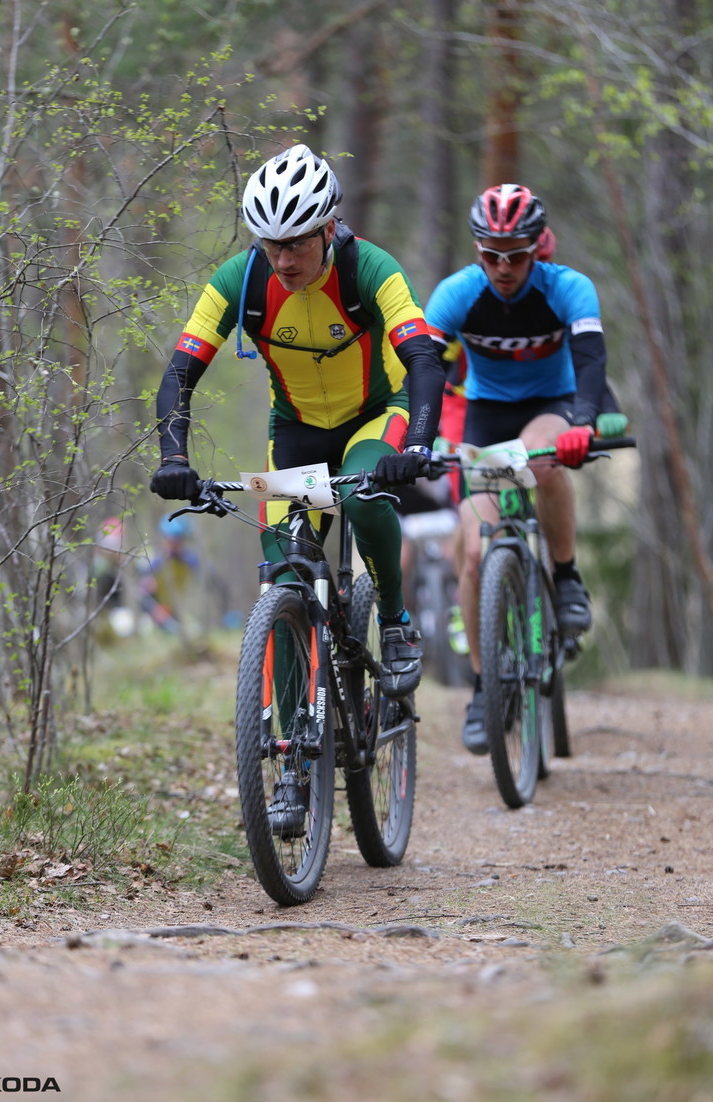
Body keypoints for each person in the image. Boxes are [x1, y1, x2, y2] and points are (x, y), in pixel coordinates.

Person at [148, 144, 444, 833]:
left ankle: (394, 623)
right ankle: (291, 766)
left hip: (376, 417)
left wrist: (419, 442)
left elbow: (423, 359)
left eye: (297, 242)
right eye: (271, 243)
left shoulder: (371, 269)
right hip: (299, 434)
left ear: (329, 227)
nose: (284, 258)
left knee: (367, 495)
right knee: (284, 571)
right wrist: (173, 455)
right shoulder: (240, 280)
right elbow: (179, 373)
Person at [425, 183, 618, 755]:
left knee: (544, 463)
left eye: (516, 254)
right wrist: (422, 435)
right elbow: (426, 371)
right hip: (485, 414)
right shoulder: (456, 294)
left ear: (538, 248)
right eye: (491, 254)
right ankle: (485, 689)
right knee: (475, 548)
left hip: (552, 404)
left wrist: (583, 422)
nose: (503, 267)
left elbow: (590, 362)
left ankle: (565, 577)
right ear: (477, 249)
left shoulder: (568, 288)